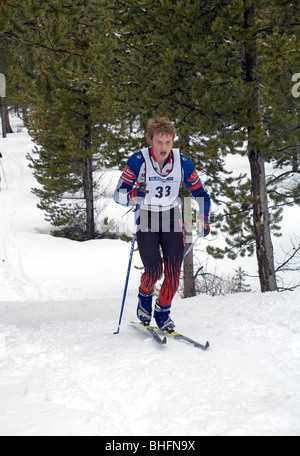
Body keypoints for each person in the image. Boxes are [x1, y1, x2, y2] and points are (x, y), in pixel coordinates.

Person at [114, 117, 211, 332]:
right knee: (154, 271)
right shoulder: (138, 160)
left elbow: (201, 194)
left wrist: (203, 218)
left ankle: (162, 312)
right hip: (147, 217)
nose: (164, 147)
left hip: (171, 216)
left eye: (168, 142)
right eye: (159, 142)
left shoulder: (182, 162)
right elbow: (117, 195)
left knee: (174, 274)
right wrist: (131, 196)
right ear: (151, 140)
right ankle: (144, 296)